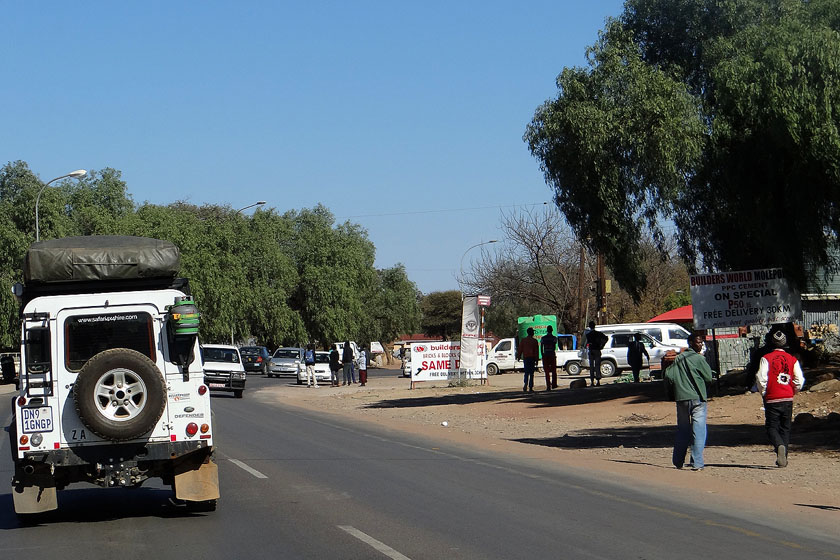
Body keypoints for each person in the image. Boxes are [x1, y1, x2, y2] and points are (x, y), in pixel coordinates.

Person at [664, 333, 714, 471]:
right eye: (698, 342)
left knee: (683, 430)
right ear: (690, 343)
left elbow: (669, 375)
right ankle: (697, 463)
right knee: (699, 431)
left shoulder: (678, 359)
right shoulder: (699, 359)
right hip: (698, 399)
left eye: (701, 342)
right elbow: (709, 377)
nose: (700, 345)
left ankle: (678, 461)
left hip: (681, 399)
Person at [755, 330, 805, 468]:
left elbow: (761, 378)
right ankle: (784, 456)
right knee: (785, 427)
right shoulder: (792, 359)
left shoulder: (766, 358)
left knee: (771, 426)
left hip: (772, 397)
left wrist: (764, 392)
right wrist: (794, 391)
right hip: (787, 397)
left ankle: (779, 446)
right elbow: (799, 379)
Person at [516, 327, 539, 392]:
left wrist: (519, 356)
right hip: (532, 358)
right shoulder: (534, 341)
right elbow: (536, 351)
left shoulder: (523, 340)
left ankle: (525, 384)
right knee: (531, 373)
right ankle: (530, 387)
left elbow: (520, 349)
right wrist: (537, 360)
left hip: (526, 358)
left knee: (526, 372)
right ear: (532, 333)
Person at [585, 321, 607, 386]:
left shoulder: (588, 335)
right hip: (597, 350)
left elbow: (586, 343)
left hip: (591, 350)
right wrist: (601, 345)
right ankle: (598, 381)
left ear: (589, 326)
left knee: (591, 366)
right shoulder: (599, 334)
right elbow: (606, 338)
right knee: (597, 365)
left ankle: (592, 381)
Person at [540, 325, 559, 390]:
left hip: (545, 354)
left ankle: (548, 385)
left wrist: (542, 353)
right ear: (552, 330)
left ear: (547, 330)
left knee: (547, 371)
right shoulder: (554, 338)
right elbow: (554, 346)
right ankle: (554, 384)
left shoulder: (543, 338)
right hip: (552, 354)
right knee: (554, 370)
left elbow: (541, 347)